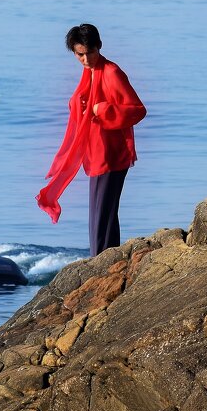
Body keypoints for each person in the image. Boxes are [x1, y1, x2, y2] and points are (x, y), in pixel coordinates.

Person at [37, 23, 147, 256]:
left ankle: (101, 260)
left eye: (90, 52)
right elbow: (82, 103)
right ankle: (106, 258)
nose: (86, 59)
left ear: (99, 47)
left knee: (102, 212)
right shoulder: (90, 72)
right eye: (80, 54)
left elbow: (137, 110)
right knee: (101, 212)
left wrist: (103, 109)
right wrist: (82, 104)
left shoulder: (111, 72)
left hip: (113, 154)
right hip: (96, 153)